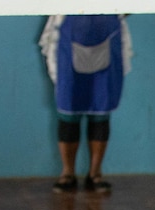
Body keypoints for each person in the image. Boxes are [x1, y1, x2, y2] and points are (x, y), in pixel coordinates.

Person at [38, 14, 131, 194]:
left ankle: (95, 173)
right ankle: (67, 173)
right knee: (68, 113)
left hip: (108, 36)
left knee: (101, 111)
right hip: (67, 39)